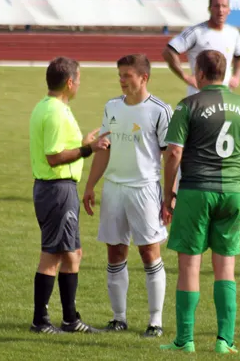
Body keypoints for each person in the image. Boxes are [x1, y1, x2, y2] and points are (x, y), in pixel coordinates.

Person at [159, 50, 240, 354]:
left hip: (195, 191)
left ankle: (185, 340)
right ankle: (224, 340)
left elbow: (174, 152)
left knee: (190, 265)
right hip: (231, 192)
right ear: (225, 72)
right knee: (225, 267)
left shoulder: (188, 105)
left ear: (199, 72)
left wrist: (168, 194)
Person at [82, 54, 172, 337]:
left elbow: (172, 157)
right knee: (115, 251)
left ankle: (155, 322)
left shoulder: (160, 110)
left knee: (149, 252)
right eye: (119, 75)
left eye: (127, 75)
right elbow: (104, 149)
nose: (121, 80)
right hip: (114, 189)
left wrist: (171, 196)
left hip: (145, 189)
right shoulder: (111, 106)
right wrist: (90, 185)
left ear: (143, 78)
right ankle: (118, 318)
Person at [29, 56, 110, 334]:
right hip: (57, 190)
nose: (80, 85)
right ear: (69, 82)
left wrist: (83, 144)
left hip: (59, 190)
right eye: (79, 80)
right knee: (53, 255)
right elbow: (53, 157)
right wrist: (90, 149)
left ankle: (70, 319)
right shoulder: (54, 112)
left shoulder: (48, 106)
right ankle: (40, 321)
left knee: (73, 254)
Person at [162, 0, 240, 96]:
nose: (220, 10)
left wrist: (237, 76)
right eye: (216, 6)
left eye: (224, 6)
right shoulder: (196, 32)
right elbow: (169, 51)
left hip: (225, 94)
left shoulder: (233, 33)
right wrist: (185, 77)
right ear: (209, 9)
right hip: (199, 95)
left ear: (229, 10)